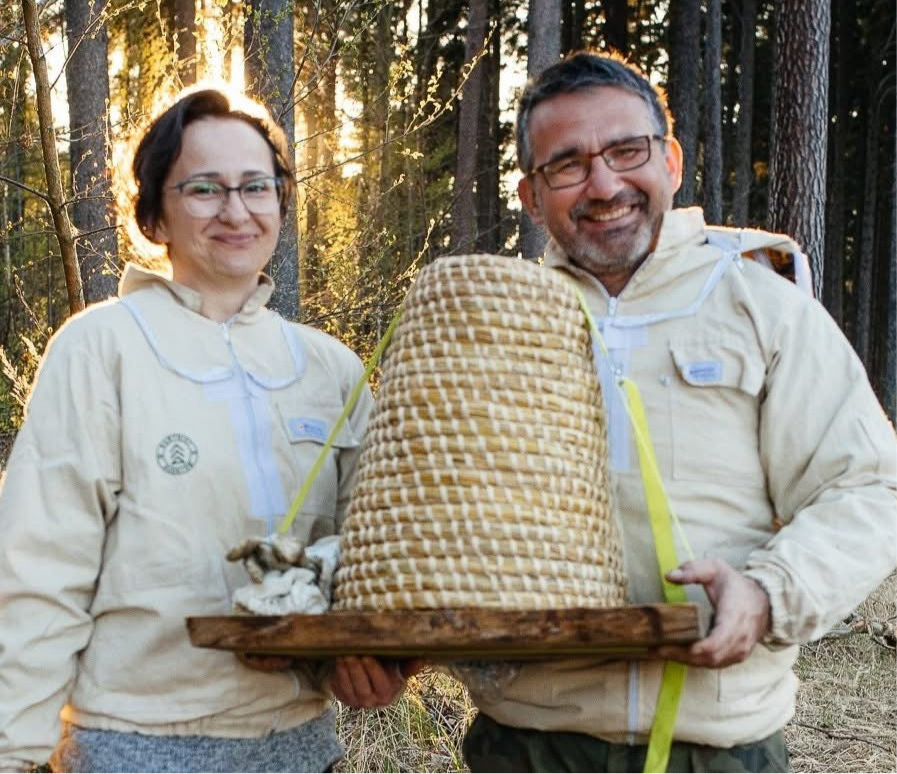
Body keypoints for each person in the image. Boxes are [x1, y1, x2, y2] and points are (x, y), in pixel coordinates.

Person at [459, 52, 897, 773]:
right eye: (566, 165)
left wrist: (766, 593)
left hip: (716, 747)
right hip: (525, 745)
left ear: (668, 160)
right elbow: (431, 518)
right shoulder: (489, 327)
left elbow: (868, 487)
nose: (603, 184)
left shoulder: (761, 307)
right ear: (530, 197)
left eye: (626, 151)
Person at [0, 88, 407, 774]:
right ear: (154, 214)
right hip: (134, 745)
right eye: (203, 189)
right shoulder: (102, 348)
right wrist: (14, 753)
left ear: (281, 201)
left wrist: (381, 659)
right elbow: (39, 567)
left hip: (304, 748)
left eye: (256, 187)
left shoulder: (329, 368)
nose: (236, 210)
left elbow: (375, 557)